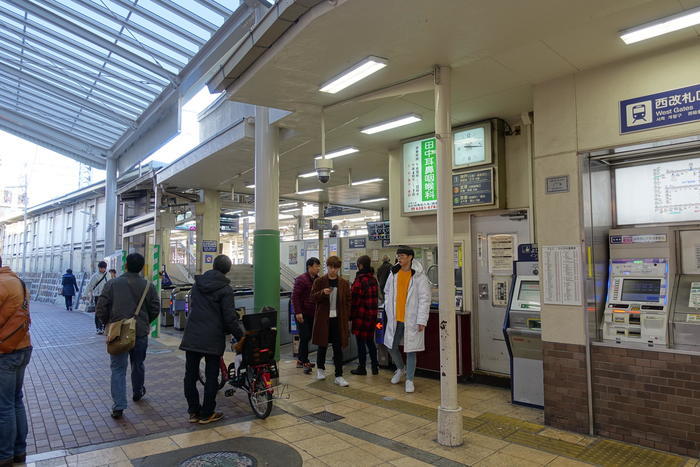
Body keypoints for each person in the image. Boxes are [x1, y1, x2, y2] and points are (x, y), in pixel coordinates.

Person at [180, 255, 243, 425]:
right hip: (212, 337)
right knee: (211, 375)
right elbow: (230, 318)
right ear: (228, 269)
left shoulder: (197, 284)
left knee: (190, 376)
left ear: (213, 266)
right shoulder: (226, 289)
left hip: (192, 335)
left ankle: (193, 412)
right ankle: (207, 413)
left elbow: (193, 308)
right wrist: (241, 336)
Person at [96, 253, 159, 419]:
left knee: (118, 369)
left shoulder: (112, 284)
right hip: (139, 332)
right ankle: (137, 391)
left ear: (125, 266)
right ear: (141, 267)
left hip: (118, 333)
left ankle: (119, 406)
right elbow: (155, 308)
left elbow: (101, 307)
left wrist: (109, 323)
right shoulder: (148, 286)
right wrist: (144, 322)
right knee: (138, 363)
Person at [383, 246, 430, 393]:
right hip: (395, 318)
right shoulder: (393, 273)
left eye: (402, 255)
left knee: (411, 350)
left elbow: (425, 299)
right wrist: (388, 307)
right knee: (391, 346)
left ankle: (409, 380)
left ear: (410, 257)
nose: (399, 258)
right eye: (398, 256)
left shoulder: (418, 276)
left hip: (411, 319)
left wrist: (422, 320)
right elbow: (387, 292)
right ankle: (400, 369)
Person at [0, 256, 31, 467]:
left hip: (6, 351)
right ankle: (19, 450)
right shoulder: (16, 280)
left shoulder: (2, 284)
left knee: (5, 406)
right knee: (16, 400)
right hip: (22, 346)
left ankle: (5, 455)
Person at [311, 256, 351, 387]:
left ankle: (338, 376)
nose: (333, 270)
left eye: (336, 267)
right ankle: (320, 369)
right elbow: (312, 298)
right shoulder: (320, 281)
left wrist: (347, 315)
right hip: (323, 318)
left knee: (337, 348)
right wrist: (322, 292)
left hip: (338, 320)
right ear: (327, 267)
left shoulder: (344, 283)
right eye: (331, 267)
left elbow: (348, 300)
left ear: (339, 268)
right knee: (322, 345)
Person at [350, 255, 380, 376]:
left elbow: (354, 300)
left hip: (361, 316)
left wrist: (350, 316)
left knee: (360, 343)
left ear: (360, 265)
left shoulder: (360, 280)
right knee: (370, 342)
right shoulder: (373, 279)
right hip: (372, 316)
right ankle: (374, 366)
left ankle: (362, 367)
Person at [291, 257, 321, 374]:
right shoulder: (301, 279)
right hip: (302, 314)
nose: (318, 268)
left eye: (319, 266)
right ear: (309, 267)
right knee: (305, 336)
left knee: (307, 337)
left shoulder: (317, 279)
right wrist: (298, 312)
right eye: (316, 266)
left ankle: (300, 359)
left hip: (312, 313)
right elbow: (295, 297)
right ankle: (304, 361)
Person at [86, 261, 109, 334]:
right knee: (98, 312)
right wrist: (85, 294)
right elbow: (90, 285)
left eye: (104, 268)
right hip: (98, 296)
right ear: (99, 268)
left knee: (106, 312)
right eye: (101, 268)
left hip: (106, 296)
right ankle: (98, 328)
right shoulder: (95, 276)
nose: (103, 269)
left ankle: (104, 327)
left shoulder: (108, 275)